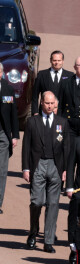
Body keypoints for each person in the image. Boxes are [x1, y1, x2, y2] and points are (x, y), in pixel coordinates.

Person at [22, 91, 70, 253]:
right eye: (47, 103)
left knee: (53, 203)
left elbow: (66, 149)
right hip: (38, 165)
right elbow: (26, 146)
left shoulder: (62, 122)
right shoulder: (32, 122)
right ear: (42, 103)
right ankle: (33, 232)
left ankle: (48, 240)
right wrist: (26, 168)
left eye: (52, 104)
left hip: (56, 166)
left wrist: (65, 171)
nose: (50, 106)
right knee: (36, 201)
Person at [0, 62, 19, 214]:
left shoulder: (8, 89)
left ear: (1, 73)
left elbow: (13, 113)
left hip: (3, 134)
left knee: (1, 170)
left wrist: (15, 135)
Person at [31, 50, 73, 115]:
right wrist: (35, 112)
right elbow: (34, 96)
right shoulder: (41, 75)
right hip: (44, 113)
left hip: (63, 114)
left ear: (63, 61)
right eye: (54, 60)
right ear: (50, 60)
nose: (57, 62)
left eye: (59, 60)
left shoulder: (70, 76)